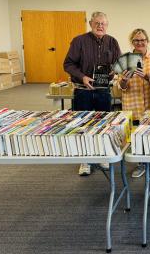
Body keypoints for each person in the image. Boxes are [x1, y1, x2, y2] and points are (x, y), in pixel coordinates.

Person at [64, 11, 121, 176]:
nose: (100, 26)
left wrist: (113, 72)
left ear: (107, 25)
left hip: (103, 91)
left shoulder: (112, 42)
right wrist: (82, 77)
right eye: (97, 23)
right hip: (83, 91)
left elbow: (117, 64)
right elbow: (68, 64)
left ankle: (103, 155)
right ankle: (85, 160)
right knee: (84, 125)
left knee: (103, 125)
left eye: (103, 23)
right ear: (90, 23)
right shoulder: (79, 41)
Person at [116, 28, 150, 178]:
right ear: (132, 42)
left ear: (147, 41)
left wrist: (147, 77)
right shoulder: (124, 59)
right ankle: (140, 164)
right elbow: (118, 87)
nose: (140, 43)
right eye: (136, 40)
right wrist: (124, 80)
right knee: (134, 136)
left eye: (142, 40)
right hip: (132, 105)